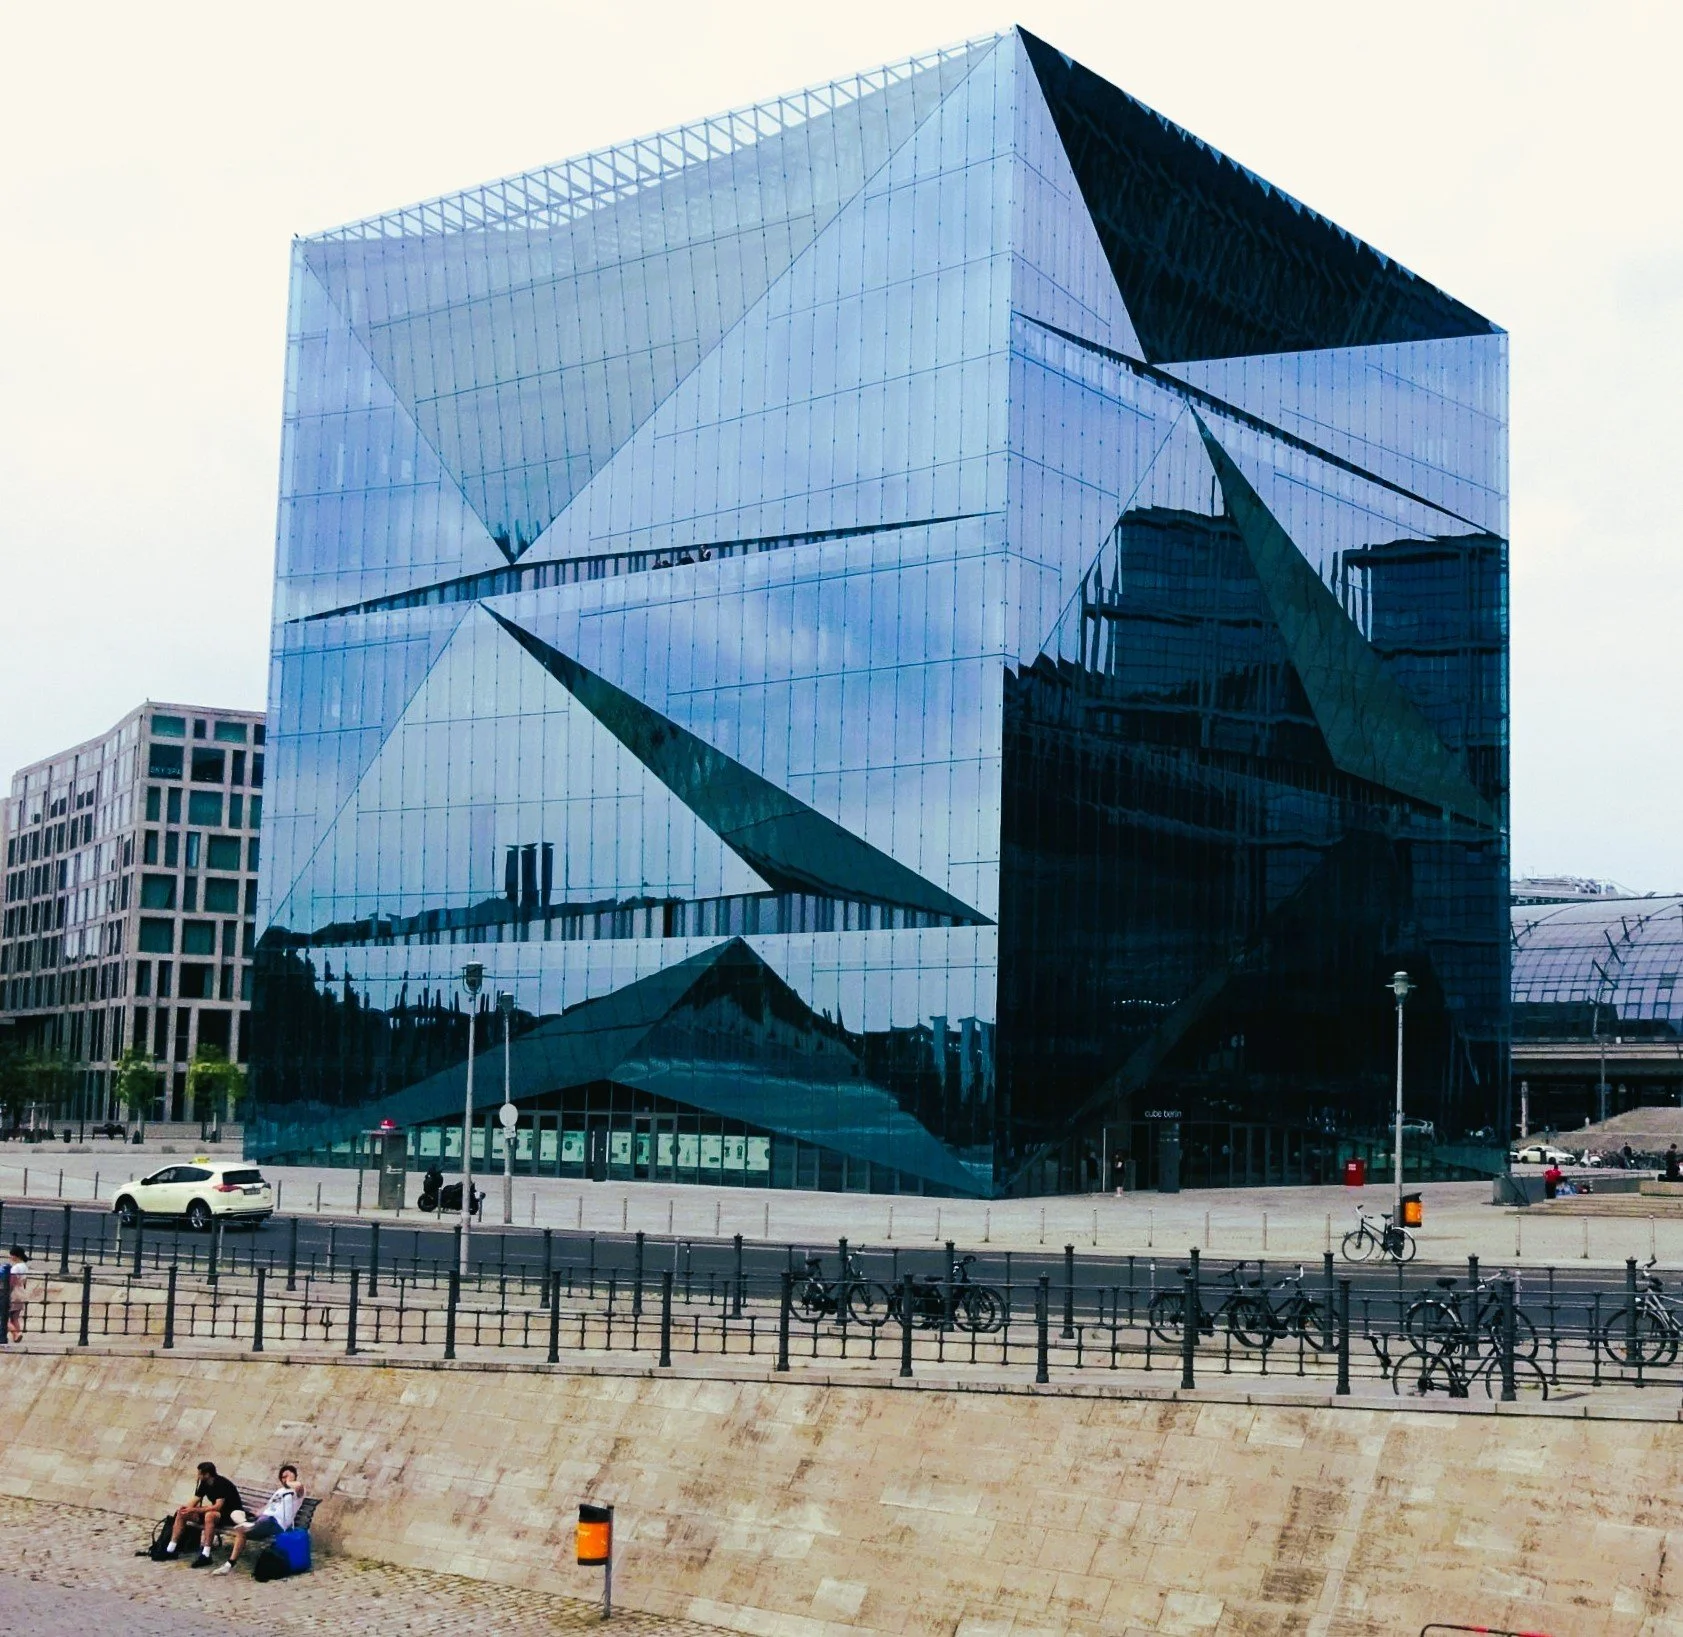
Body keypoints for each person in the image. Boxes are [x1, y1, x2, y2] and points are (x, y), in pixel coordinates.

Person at [215, 1464, 304, 1574]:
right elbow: (269, 1506)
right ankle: (228, 1565)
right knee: (241, 1529)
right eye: (283, 1477)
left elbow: (298, 1486)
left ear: (295, 1476)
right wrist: (257, 1512)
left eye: (288, 1476)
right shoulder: (279, 1491)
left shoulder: (297, 1491)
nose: (285, 1479)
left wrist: (289, 1482)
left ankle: (248, 1525)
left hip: (277, 1523)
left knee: (244, 1528)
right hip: (264, 1520)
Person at [165, 1460, 242, 1566]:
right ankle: (170, 1549)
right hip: (216, 1513)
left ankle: (206, 1554)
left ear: (207, 1474)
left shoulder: (221, 1484)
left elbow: (218, 1507)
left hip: (230, 1514)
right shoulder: (205, 1483)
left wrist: (194, 1510)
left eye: (199, 1474)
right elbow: (196, 1499)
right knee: (182, 1513)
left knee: (209, 1515)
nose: (198, 1476)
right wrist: (187, 1509)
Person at [5, 1246, 31, 1342]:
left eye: (12, 1255)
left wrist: (5, 1293)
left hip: (13, 1294)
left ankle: (15, 1333)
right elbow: (24, 1282)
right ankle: (17, 1336)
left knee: (3, 1317)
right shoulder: (24, 1266)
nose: (10, 1257)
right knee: (14, 1318)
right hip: (21, 1293)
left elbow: (11, 1282)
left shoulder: (15, 1268)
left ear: (16, 1256)